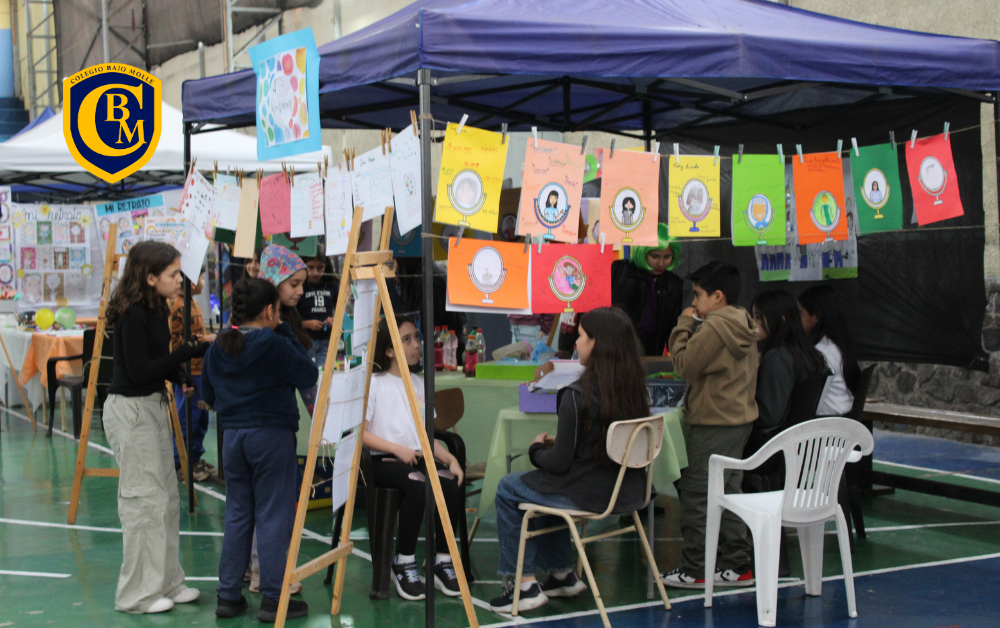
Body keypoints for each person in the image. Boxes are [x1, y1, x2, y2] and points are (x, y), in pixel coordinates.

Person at [489, 307, 649, 612]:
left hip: (589, 494)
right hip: (627, 490)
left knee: (510, 486)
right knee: (547, 485)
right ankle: (562, 573)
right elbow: (601, 441)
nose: (576, 343)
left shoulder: (577, 395)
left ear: (597, 343)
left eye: (581, 337)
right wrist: (562, 443)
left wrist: (537, 450)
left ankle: (522, 586)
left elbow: (559, 463)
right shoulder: (633, 388)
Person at [103, 241, 209, 613]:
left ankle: (167, 581)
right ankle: (136, 595)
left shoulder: (157, 308)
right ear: (150, 278)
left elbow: (155, 362)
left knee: (166, 499)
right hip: (130, 413)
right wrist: (186, 352)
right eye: (173, 274)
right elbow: (138, 371)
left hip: (152, 406)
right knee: (143, 504)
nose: (180, 280)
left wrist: (180, 373)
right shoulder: (131, 314)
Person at [203, 278, 318, 622]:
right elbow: (308, 372)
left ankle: (228, 595)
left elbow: (208, 395)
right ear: (270, 310)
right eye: (278, 311)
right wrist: (283, 330)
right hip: (270, 435)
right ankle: (273, 598)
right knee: (272, 514)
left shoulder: (218, 346)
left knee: (238, 514)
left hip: (232, 438)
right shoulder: (275, 344)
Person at [662, 261, 758, 589]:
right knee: (728, 491)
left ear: (717, 297)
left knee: (696, 493)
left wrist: (683, 324)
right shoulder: (741, 321)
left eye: (698, 295)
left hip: (713, 421)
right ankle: (737, 565)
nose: (694, 302)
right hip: (738, 419)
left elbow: (684, 365)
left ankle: (695, 569)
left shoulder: (716, 326)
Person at [364, 315, 465, 601]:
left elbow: (426, 435)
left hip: (415, 458)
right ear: (389, 350)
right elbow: (362, 434)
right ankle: (404, 560)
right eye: (406, 340)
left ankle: (442, 561)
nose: (416, 345)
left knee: (448, 480)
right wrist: (397, 449)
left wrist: (450, 459)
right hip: (382, 463)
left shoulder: (419, 384)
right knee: (419, 482)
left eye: (416, 338)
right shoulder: (375, 383)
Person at [746, 290, 828, 456]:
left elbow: (768, 417)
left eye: (759, 317)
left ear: (780, 320)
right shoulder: (808, 353)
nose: (753, 323)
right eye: (753, 317)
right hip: (798, 444)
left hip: (769, 448)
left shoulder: (777, 358)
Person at [168, 273, 217, 482]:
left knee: (201, 417)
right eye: (202, 278)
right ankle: (179, 462)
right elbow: (176, 342)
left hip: (200, 370)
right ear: (193, 281)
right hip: (188, 372)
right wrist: (205, 340)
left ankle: (195, 458)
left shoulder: (192, 303)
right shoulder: (177, 307)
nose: (203, 283)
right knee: (187, 417)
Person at [611, 222, 683, 356]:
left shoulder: (674, 285)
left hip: (651, 358)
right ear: (642, 252)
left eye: (667, 257)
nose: (661, 263)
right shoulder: (619, 273)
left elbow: (673, 330)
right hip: (615, 356)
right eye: (655, 256)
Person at [798, 285, 860, 417]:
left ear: (816, 317)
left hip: (828, 424)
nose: (796, 320)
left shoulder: (823, 352)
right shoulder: (839, 344)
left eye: (800, 314)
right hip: (843, 417)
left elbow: (812, 403)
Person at [297, 254, 339, 365]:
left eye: (320, 267)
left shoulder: (333, 286)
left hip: (327, 340)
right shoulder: (298, 286)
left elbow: (342, 312)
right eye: (310, 267)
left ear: (326, 266)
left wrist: (333, 320)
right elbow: (289, 319)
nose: (315, 272)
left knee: (324, 376)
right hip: (305, 340)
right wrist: (306, 324)